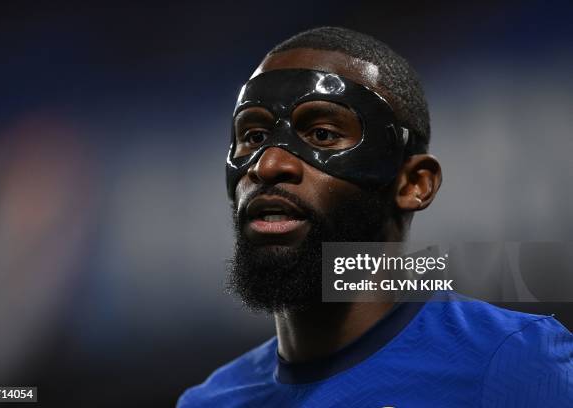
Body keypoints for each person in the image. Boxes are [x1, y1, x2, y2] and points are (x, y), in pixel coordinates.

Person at [177, 27, 573, 407]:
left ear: (413, 184)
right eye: (254, 136)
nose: (269, 164)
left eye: (322, 134)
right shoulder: (210, 401)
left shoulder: (512, 360)